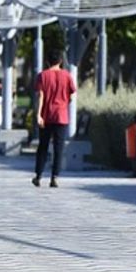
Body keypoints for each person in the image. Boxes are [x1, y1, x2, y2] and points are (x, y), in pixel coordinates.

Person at [32, 51, 76, 188]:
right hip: (61, 117)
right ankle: (54, 177)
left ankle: (38, 176)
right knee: (59, 149)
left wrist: (38, 115)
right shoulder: (67, 76)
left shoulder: (42, 76)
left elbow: (41, 96)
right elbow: (72, 96)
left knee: (43, 147)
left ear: (47, 61)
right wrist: (63, 104)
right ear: (61, 61)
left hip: (46, 117)